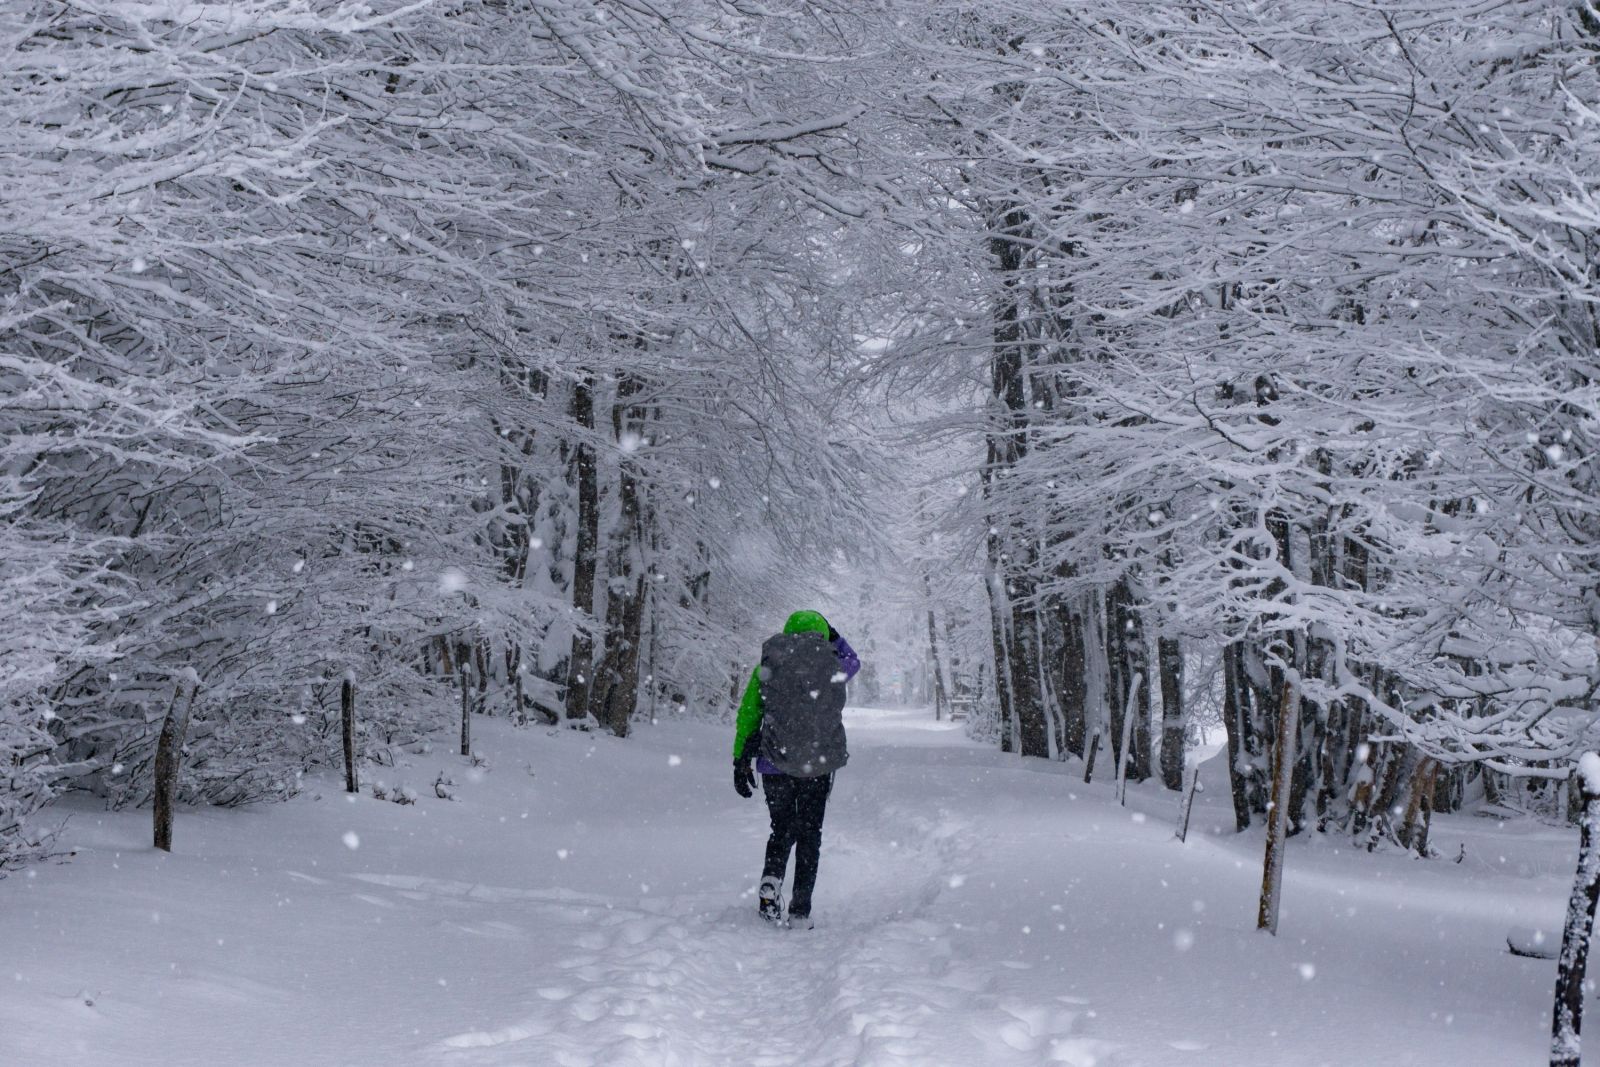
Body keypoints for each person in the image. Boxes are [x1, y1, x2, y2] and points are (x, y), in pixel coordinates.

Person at [731, 610, 860, 928]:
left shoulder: (770, 662)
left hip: (775, 762)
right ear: (822, 633)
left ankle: (771, 879)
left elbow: (749, 712)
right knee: (810, 834)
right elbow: (854, 661)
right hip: (817, 764)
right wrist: (834, 634)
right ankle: (800, 910)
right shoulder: (834, 663)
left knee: (782, 828)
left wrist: (739, 759)